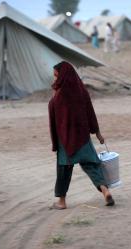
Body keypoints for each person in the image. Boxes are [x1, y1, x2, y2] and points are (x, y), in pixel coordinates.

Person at [48, 61, 115, 209]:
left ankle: (61, 201)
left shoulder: (58, 97)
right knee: (92, 166)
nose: (55, 80)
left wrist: (55, 144)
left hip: (65, 140)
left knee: (64, 170)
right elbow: (90, 112)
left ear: (63, 76)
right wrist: (97, 133)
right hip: (83, 138)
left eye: (56, 76)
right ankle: (105, 191)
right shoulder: (81, 91)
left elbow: (54, 122)